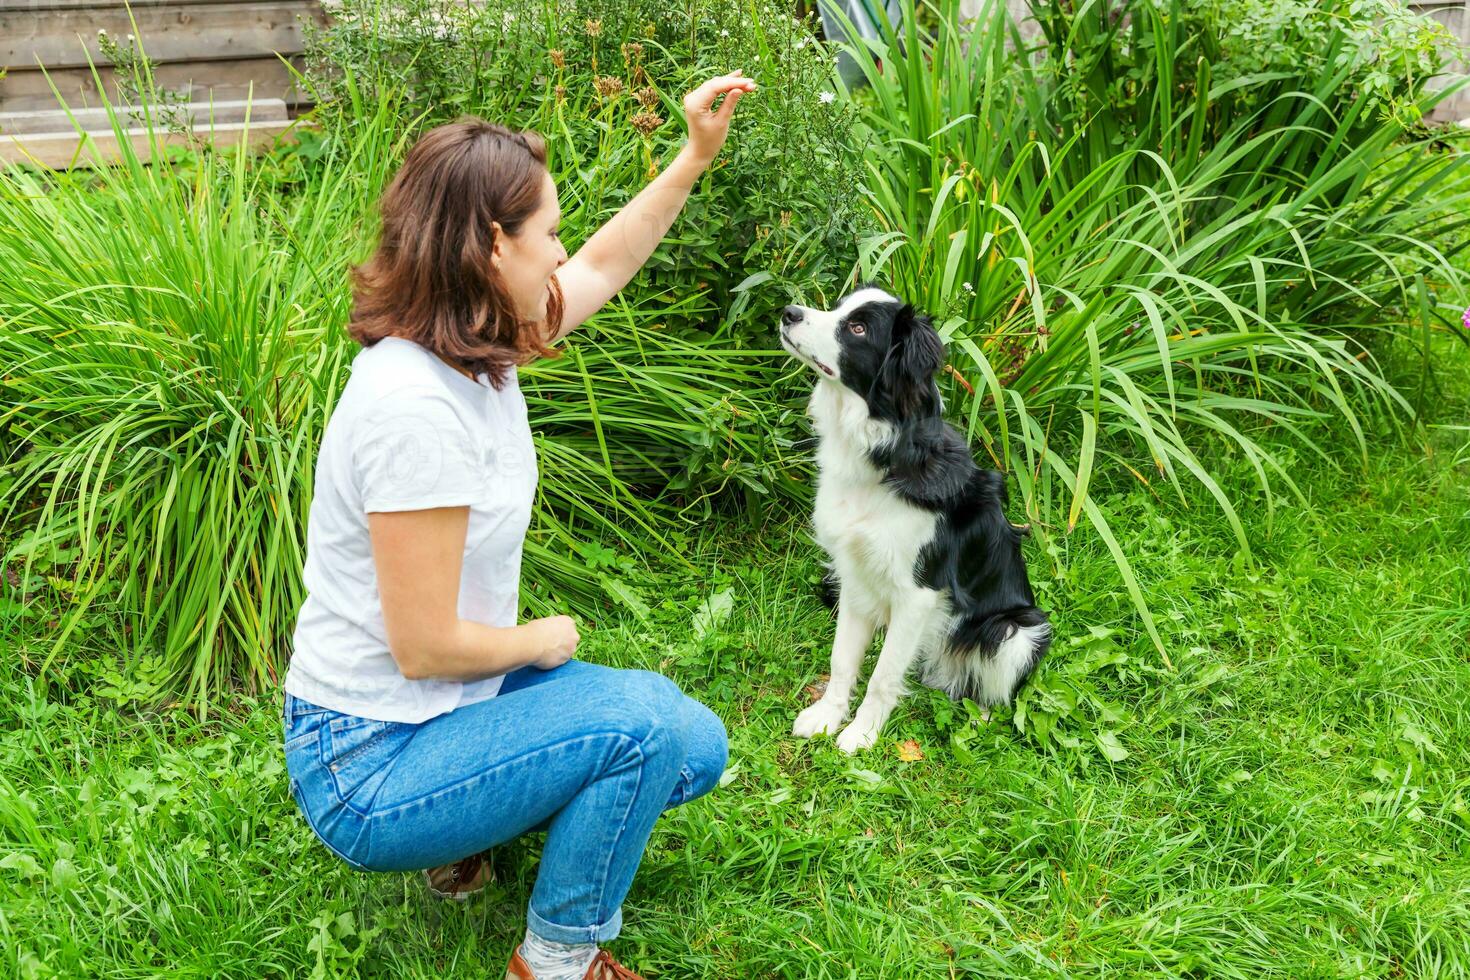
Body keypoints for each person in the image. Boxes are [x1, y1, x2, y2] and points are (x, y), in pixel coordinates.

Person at [281, 71, 757, 980]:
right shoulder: (411, 408)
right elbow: (421, 647)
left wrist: (693, 158)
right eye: (547, 231)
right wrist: (541, 638)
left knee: (696, 745)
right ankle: (556, 960)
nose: (562, 248)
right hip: (369, 763)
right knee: (645, 729)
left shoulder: (479, 338)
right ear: (492, 244)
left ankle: (477, 821)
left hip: (449, 711)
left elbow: (606, 264)